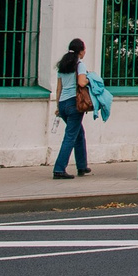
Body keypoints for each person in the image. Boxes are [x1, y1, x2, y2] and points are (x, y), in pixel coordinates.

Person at [53, 37, 93, 179]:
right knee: (70, 136)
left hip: (63, 104)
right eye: (84, 49)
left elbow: (59, 88)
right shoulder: (79, 64)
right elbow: (81, 83)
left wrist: (58, 107)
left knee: (79, 133)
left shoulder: (63, 65)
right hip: (74, 103)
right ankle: (59, 169)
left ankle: (82, 166)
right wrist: (90, 78)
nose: (85, 51)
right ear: (80, 51)